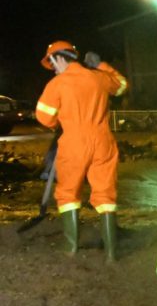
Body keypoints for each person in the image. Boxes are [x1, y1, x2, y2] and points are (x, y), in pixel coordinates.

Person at [34, 41, 128, 261]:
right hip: (103, 140)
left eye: (52, 63)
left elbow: (44, 117)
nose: (53, 68)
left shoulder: (58, 84)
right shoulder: (98, 77)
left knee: (68, 194)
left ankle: (71, 248)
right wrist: (103, 65)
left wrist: (61, 121)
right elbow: (122, 85)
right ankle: (111, 254)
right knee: (106, 195)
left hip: (74, 142)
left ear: (59, 58)